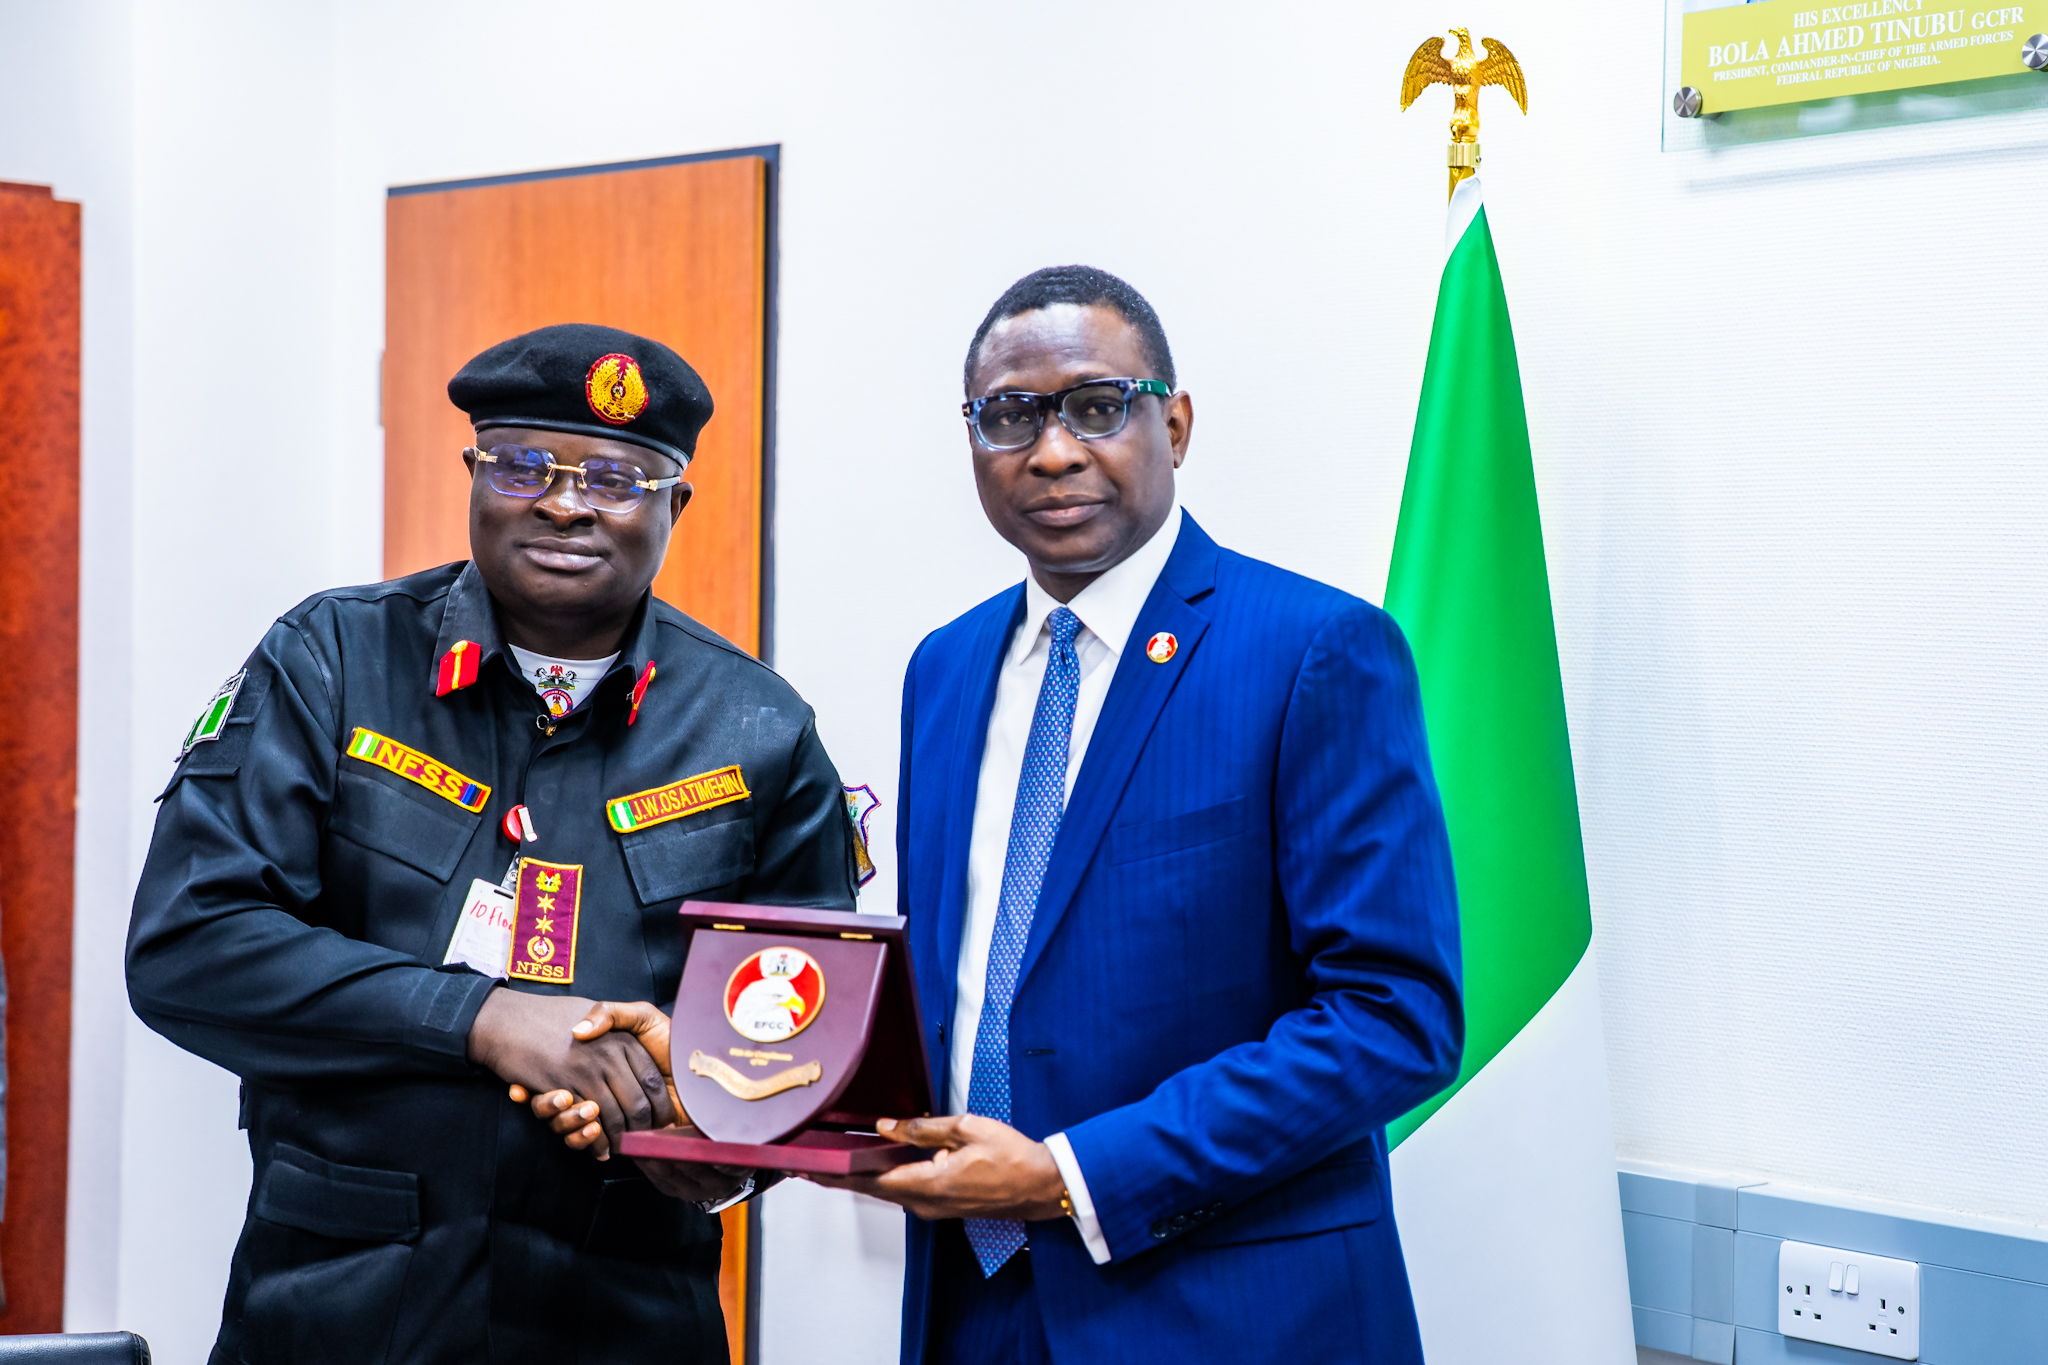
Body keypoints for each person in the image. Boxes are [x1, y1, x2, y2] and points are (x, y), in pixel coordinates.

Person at [127, 323, 858, 1365]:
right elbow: (189, 945)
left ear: (676, 505)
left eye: (617, 479)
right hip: (340, 1310)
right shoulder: (331, 661)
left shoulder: (759, 731)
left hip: (625, 1316)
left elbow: (802, 1041)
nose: (564, 504)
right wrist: (483, 1017)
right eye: (522, 465)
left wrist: (722, 1144)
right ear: (472, 474)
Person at [811, 266, 1466, 1364]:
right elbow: (959, 982)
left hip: (1224, 1313)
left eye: (1096, 406)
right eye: (1010, 416)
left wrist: (1067, 1177)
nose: (1052, 451)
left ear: (1176, 423)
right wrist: (743, 1077)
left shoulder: (1313, 650)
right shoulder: (945, 668)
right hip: (970, 1306)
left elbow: (1393, 1016)